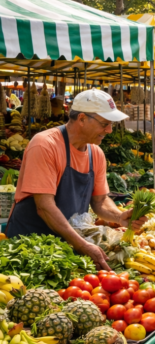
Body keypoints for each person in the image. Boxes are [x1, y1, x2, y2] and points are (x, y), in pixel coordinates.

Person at [6, 89, 147, 269]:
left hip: (65, 245)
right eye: (105, 123)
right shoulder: (45, 144)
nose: (109, 130)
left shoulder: (95, 153)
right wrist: (81, 244)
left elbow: (100, 201)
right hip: (29, 246)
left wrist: (120, 217)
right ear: (81, 119)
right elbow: (44, 206)